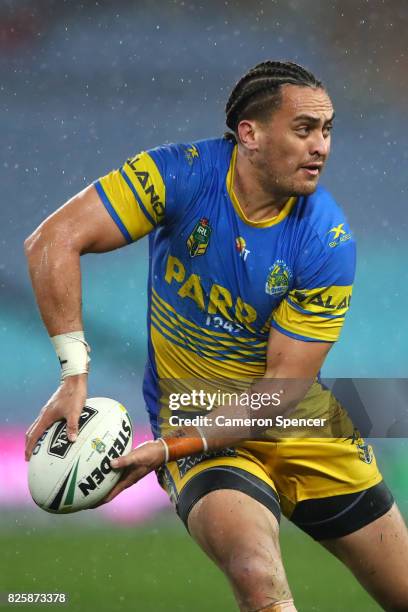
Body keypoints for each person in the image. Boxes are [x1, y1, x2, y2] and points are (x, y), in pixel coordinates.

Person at [24, 61, 408, 612]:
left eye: (327, 130)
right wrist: (73, 372)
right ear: (249, 133)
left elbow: (281, 393)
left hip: (301, 425)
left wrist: (168, 449)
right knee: (256, 575)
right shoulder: (179, 175)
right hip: (195, 418)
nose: (321, 146)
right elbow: (52, 241)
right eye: (304, 129)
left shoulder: (327, 239)